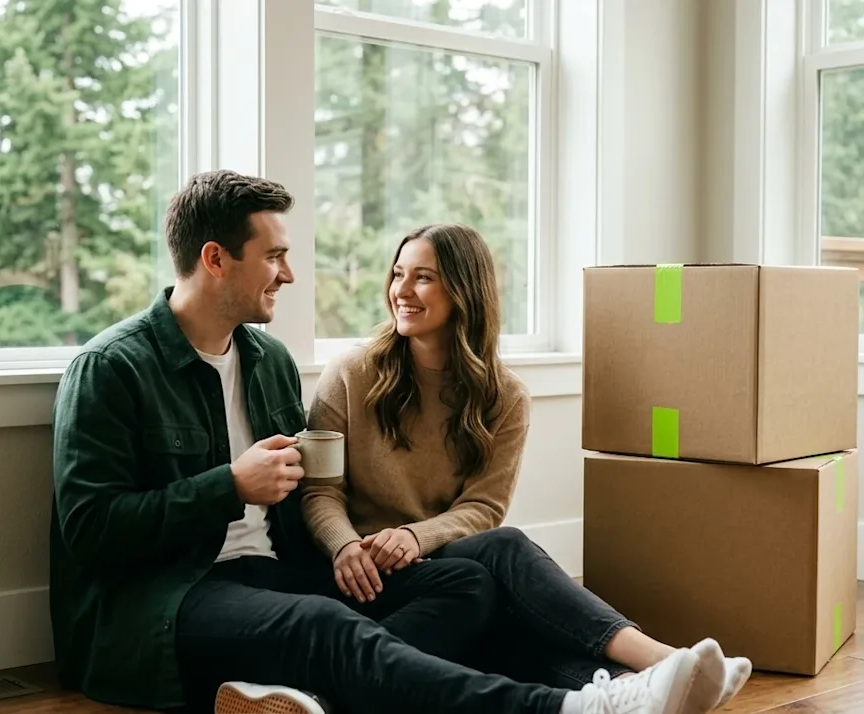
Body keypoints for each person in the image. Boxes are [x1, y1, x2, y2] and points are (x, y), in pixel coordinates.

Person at [49, 170, 696, 714]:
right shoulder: (112, 367)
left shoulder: (267, 360)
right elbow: (90, 530)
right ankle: (565, 705)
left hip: (274, 572)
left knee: (467, 584)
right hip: (168, 597)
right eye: (273, 256)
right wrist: (228, 486)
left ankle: (306, 699)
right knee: (328, 627)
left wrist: (362, 549)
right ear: (216, 259)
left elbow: (321, 484)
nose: (290, 274)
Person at [302, 223, 754, 714]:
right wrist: (345, 545)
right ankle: (661, 662)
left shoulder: (504, 396)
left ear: (464, 290)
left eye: (423, 278)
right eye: (397, 274)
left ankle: (636, 695)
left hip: (443, 560)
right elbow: (319, 491)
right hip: (368, 573)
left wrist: (417, 536)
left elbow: (483, 506)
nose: (401, 291)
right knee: (505, 552)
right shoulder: (350, 373)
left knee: (506, 616)